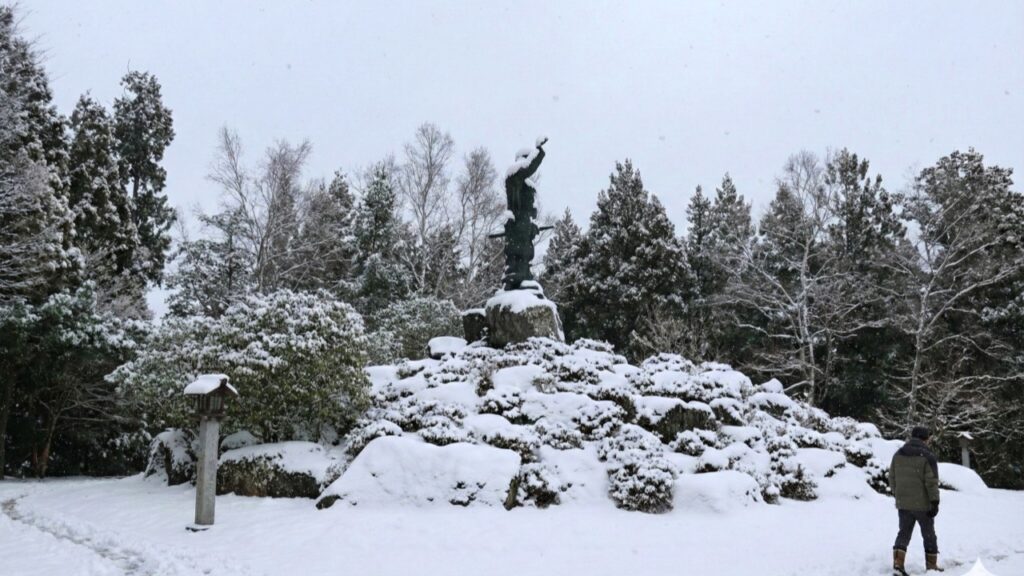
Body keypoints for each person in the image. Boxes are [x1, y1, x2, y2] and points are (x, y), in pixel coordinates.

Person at [889, 426, 943, 574]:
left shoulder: (898, 454)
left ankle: (898, 563)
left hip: (904, 504)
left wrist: (897, 494)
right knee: (929, 535)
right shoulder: (928, 456)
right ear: (925, 439)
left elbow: (892, 477)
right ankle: (931, 566)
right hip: (923, 505)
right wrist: (935, 502)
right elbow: (931, 482)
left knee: (903, 533)